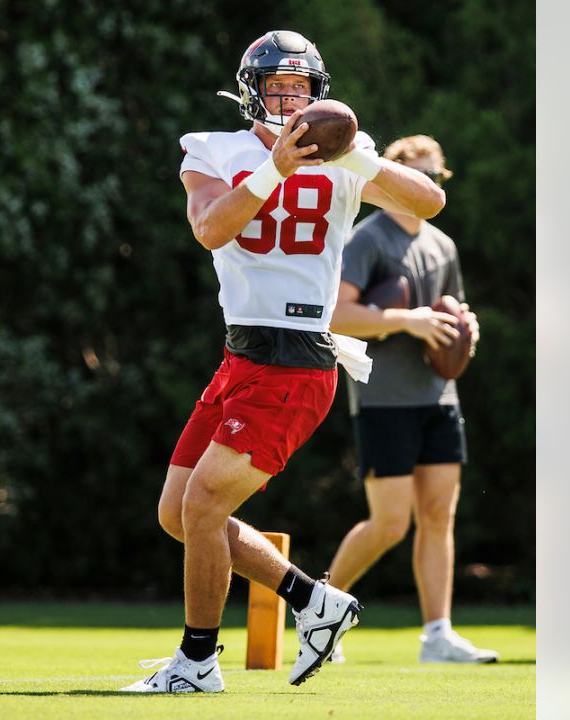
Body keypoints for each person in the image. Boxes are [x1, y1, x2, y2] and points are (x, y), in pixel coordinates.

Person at [119, 30, 446, 693]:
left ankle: (197, 663)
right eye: (278, 88)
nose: (289, 99)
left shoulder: (345, 159)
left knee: (204, 506)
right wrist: (277, 171)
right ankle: (314, 601)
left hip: (298, 360)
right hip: (240, 356)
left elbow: (429, 202)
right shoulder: (214, 151)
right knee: (176, 511)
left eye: (300, 89)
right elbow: (211, 227)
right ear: (253, 93)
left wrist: (357, 160)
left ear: (316, 96)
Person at [324, 135, 498, 664]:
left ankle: (437, 635)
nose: (426, 186)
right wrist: (407, 321)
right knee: (390, 523)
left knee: (440, 515)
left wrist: (466, 325)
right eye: (417, 175)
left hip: (439, 397)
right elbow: (336, 316)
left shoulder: (442, 245)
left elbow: (455, 310)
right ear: (391, 176)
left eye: (435, 178)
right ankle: (316, 607)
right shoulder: (366, 238)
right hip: (384, 399)